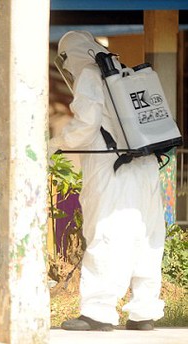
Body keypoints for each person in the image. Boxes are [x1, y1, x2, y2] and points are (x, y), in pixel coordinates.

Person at [49, 30, 166, 331]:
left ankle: (98, 312)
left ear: (69, 56)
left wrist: (52, 145)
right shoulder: (122, 71)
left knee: (106, 234)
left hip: (114, 166)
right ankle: (144, 312)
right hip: (146, 164)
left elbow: (87, 125)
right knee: (147, 236)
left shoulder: (89, 72)